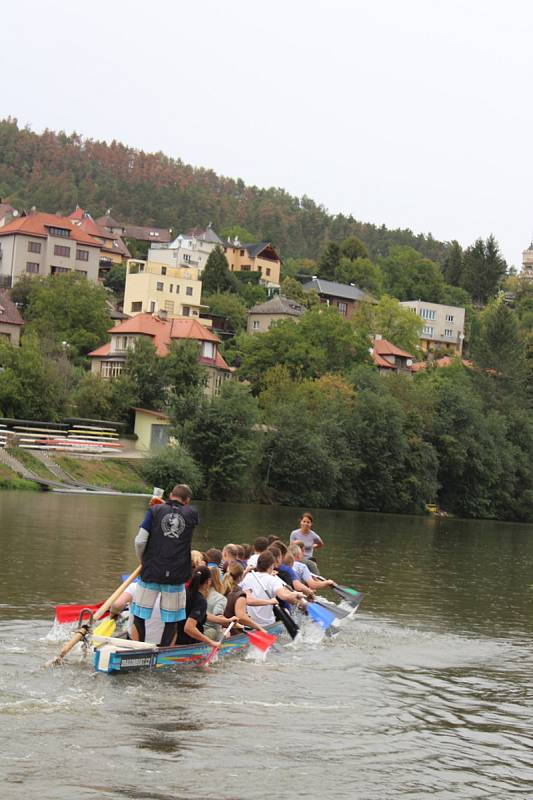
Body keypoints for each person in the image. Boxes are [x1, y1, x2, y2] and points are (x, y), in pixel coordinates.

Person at [132, 483, 198, 646]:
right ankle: (163, 654)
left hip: (151, 570)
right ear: (187, 500)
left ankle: (137, 650)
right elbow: (177, 513)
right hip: (176, 574)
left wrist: (143, 561)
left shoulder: (154, 511)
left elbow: (140, 541)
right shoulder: (192, 513)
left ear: (170, 495)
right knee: (172, 619)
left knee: (139, 614)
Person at [240, 551, 305, 628]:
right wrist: (297, 594)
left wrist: (295, 594)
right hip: (267, 624)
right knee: (287, 612)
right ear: (271, 566)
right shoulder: (273, 580)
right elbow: (284, 596)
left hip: (249, 624)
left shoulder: (248, 576)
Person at [176, 566, 236, 646]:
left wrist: (227, 620)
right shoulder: (200, 601)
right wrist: (211, 642)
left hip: (175, 640)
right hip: (187, 644)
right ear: (208, 582)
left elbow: (203, 615)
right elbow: (189, 628)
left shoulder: (185, 592)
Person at [204, 565, 228, 640]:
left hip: (196, 635)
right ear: (219, 579)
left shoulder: (198, 594)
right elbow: (218, 615)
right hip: (213, 637)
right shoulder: (220, 598)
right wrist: (231, 622)